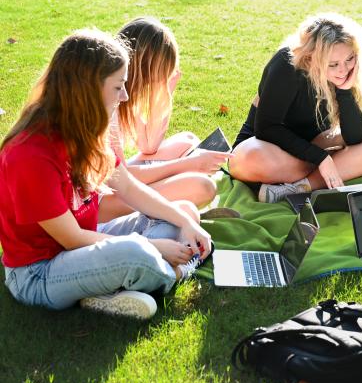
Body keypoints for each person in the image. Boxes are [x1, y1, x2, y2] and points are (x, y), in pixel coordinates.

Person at [0, 29, 212, 320]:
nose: (124, 96)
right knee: (135, 254)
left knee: (182, 211)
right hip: (40, 273)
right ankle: (177, 271)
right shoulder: (29, 155)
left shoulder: (83, 132)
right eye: (118, 87)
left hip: (88, 243)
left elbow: (130, 189)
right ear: (87, 90)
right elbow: (72, 238)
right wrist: (152, 245)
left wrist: (187, 222)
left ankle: (107, 289)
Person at [229, 13, 362, 203]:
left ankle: (301, 187)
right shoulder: (287, 63)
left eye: (349, 59)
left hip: (316, 145)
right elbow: (266, 128)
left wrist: (344, 91)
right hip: (270, 146)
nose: (343, 70)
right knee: (248, 159)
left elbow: (357, 136)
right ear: (311, 58)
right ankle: (337, 168)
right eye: (333, 64)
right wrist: (322, 158)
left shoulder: (349, 73)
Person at [99, 17, 231, 221]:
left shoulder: (124, 92)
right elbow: (119, 178)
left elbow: (149, 146)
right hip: (100, 205)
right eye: (163, 69)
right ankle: (172, 207)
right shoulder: (110, 102)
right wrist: (188, 165)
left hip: (114, 186)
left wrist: (167, 89)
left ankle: (173, 202)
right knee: (202, 187)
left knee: (187, 140)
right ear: (145, 67)